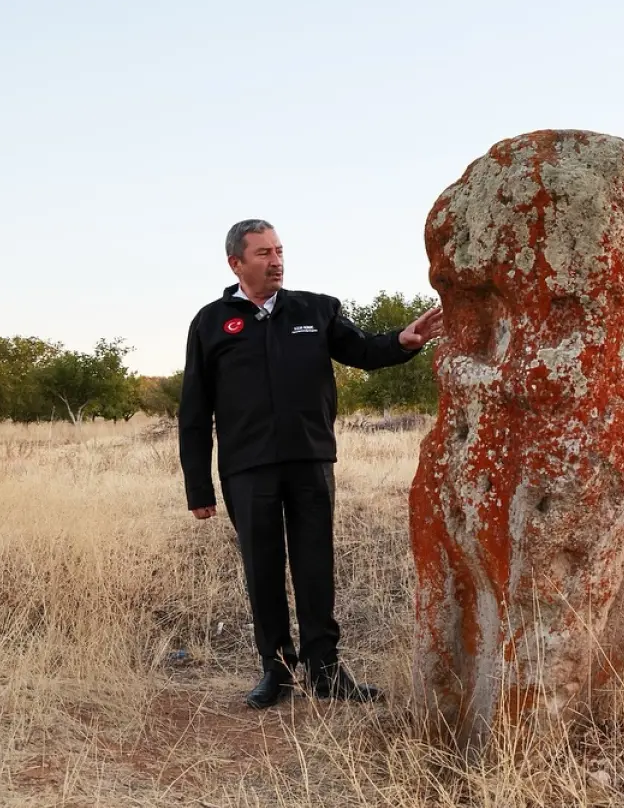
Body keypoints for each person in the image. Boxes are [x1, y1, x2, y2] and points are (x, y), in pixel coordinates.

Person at [177, 218, 443, 709]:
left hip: (310, 460)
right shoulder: (211, 322)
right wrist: (199, 488)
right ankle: (275, 672)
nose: (275, 260)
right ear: (236, 263)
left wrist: (404, 341)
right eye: (262, 253)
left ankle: (325, 670)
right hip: (247, 468)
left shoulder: (317, 310)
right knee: (262, 569)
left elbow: (362, 350)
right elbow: (194, 411)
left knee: (315, 566)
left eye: (279, 250)